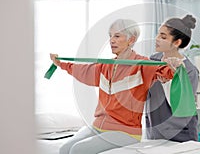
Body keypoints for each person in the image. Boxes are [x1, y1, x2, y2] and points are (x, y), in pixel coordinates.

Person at [50, 19, 178, 154]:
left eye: (117, 36)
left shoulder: (142, 65)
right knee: (64, 149)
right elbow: (83, 71)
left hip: (126, 131)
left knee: (78, 150)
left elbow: (165, 73)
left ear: (131, 40)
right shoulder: (107, 65)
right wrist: (61, 64)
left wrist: (173, 66)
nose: (111, 40)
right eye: (110, 36)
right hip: (99, 125)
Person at [145, 14, 199, 142]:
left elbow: (181, 105)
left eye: (163, 37)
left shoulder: (190, 71)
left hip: (181, 135)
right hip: (154, 133)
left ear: (177, 42)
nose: (157, 39)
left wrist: (172, 76)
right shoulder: (153, 60)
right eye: (158, 34)